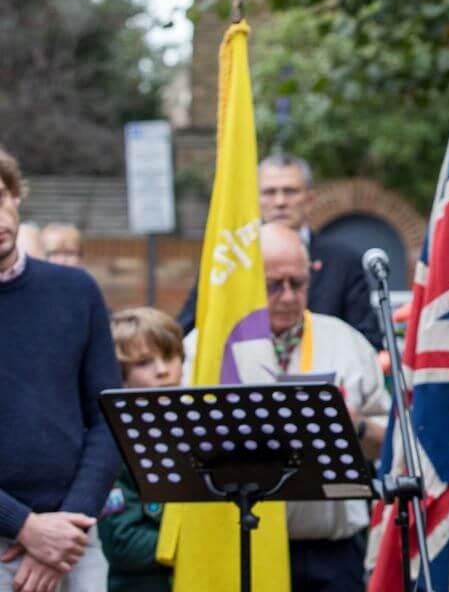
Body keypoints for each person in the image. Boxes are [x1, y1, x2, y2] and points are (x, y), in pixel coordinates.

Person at [182, 222, 388, 591]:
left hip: (329, 551)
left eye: (299, 282)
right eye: (273, 285)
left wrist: (353, 426)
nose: (289, 296)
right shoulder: (204, 347)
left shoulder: (347, 341)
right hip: (239, 543)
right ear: (246, 282)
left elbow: (391, 445)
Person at [0, 146, 122, 592]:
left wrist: (66, 535)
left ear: (15, 195)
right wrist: (26, 527)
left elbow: (107, 418)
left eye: (0, 197)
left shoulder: (75, 291)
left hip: (76, 537)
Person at [176, 154, 379, 348]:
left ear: (309, 199)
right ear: (255, 199)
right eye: (269, 192)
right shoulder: (229, 260)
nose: (280, 202)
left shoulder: (342, 261)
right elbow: (189, 329)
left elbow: (367, 342)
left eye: (290, 191)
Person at [98, 308, 184, 592]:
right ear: (121, 376)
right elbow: (123, 543)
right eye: (144, 363)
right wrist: (198, 543)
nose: (163, 370)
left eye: (170, 357)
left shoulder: (197, 433)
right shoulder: (113, 443)